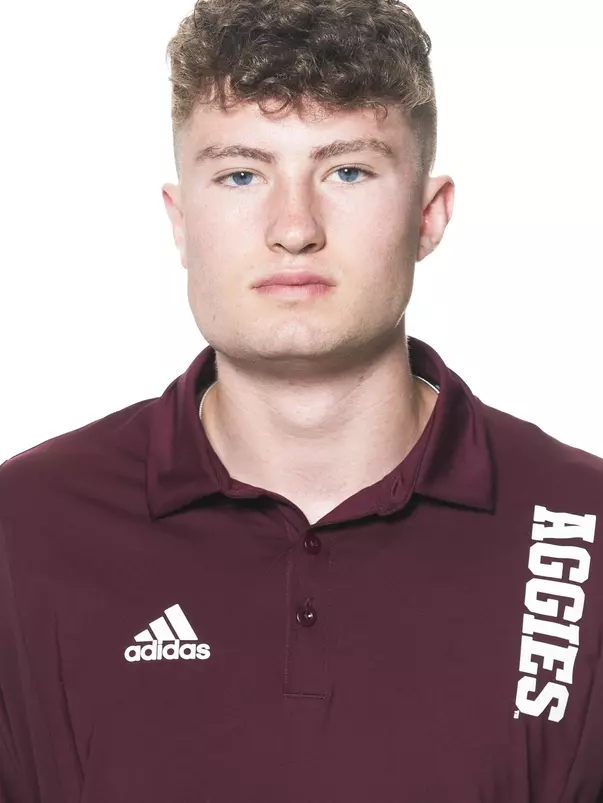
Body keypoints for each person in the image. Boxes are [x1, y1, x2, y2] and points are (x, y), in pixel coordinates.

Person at [1, 0, 602, 800]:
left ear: (428, 215)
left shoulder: (582, 527)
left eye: (346, 171)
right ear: (180, 221)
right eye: (241, 173)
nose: (293, 228)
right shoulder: (23, 531)